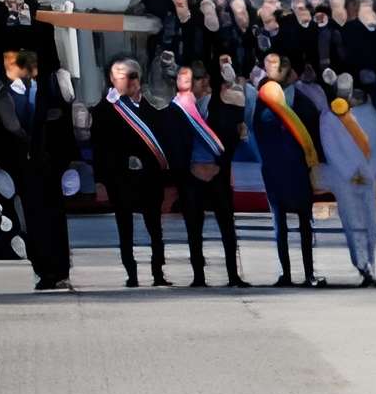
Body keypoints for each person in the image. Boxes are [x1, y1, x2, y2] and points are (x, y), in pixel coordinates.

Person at [0, 43, 80, 290]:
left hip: (50, 164)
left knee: (54, 218)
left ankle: (59, 270)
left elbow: (65, 126)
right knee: (31, 219)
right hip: (22, 166)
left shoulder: (52, 87)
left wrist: (71, 161)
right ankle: (43, 270)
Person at [96, 57, 180, 286]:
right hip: (121, 180)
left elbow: (165, 142)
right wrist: (101, 181)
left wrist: (169, 180)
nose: (128, 82)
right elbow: (100, 147)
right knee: (125, 229)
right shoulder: (107, 110)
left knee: (155, 229)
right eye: (121, 78)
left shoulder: (153, 108)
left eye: (132, 77)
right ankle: (131, 273)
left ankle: (158, 272)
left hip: (149, 180)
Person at [164, 61, 245, 286]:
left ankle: (233, 275)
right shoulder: (177, 109)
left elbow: (232, 138)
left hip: (217, 173)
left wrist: (220, 164)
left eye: (196, 81)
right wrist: (188, 167)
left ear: (206, 81)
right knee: (193, 228)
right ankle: (198, 276)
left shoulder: (222, 107)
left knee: (227, 226)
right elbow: (172, 142)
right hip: (191, 176)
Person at [248, 52, 325, 285]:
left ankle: (309, 273)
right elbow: (256, 132)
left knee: (305, 224)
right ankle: (287, 274)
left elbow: (315, 137)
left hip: (299, 171)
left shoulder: (305, 104)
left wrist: (314, 168)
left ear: (290, 74)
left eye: (277, 70)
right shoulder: (264, 101)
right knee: (279, 225)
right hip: (273, 170)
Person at [317, 70, 376, 283]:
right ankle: (362, 265)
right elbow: (330, 148)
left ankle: (371, 263)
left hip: (367, 176)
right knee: (353, 221)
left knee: (370, 222)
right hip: (344, 178)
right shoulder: (329, 116)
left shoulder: (371, 114)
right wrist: (350, 173)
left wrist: (369, 171)